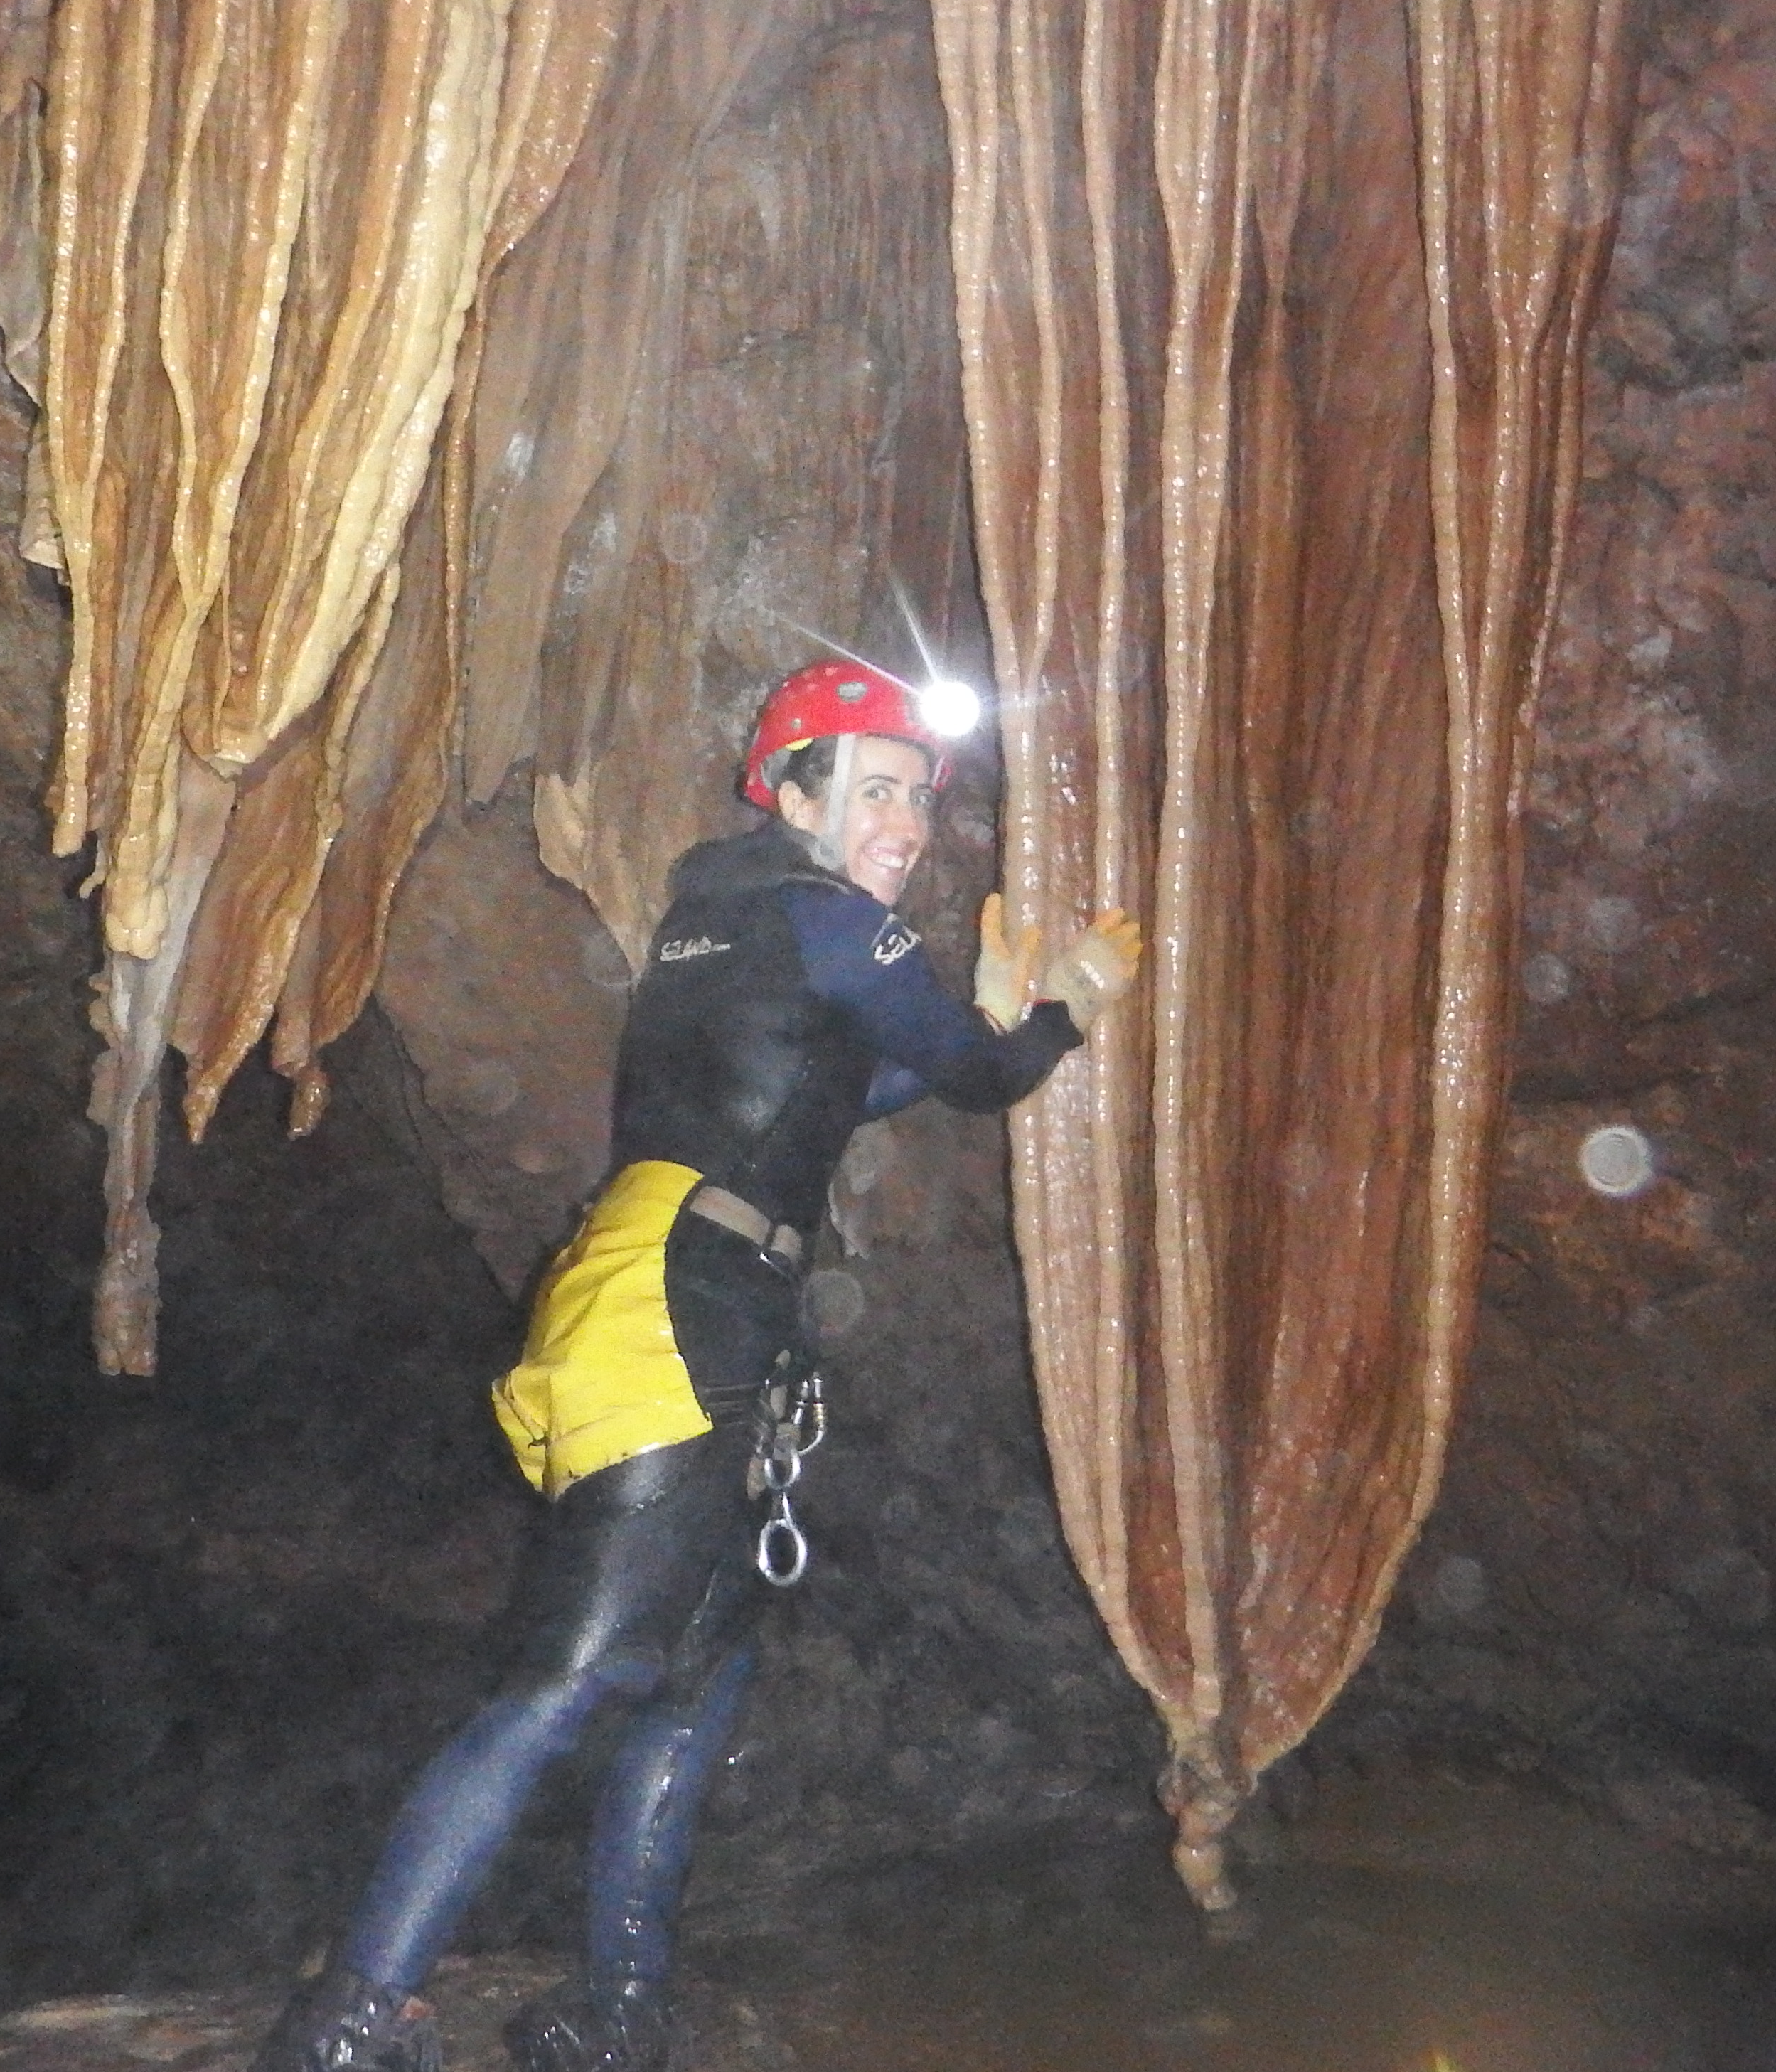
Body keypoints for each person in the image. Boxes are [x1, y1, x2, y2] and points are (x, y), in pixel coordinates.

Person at [254, 660, 1143, 2072]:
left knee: (691, 1680)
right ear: (794, 795)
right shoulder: (838, 923)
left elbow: (831, 1087)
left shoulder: (720, 919)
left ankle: (620, 2015)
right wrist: (1059, 1010)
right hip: (678, 1310)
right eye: (876, 791)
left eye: (919, 799)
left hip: (669, 1293)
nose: (908, 826)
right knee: (570, 1682)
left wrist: (968, 1020)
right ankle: (350, 2023)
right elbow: (973, 1077)